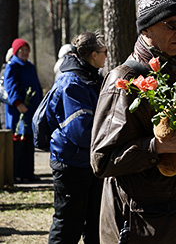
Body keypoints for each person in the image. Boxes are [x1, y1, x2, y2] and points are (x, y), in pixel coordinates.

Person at [90, 0, 176, 244]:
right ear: (146, 28)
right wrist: (156, 146)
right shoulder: (124, 81)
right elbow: (102, 160)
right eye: (172, 25)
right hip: (145, 227)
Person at [47, 32, 106, 243]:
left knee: (95, 224)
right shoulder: (72, 82)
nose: (107, 55)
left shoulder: (91, 77)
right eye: (104, 52)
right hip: (71, 164)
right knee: (68, 226)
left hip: (89, 163)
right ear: (92, 55)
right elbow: (80, 131)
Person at [3, 38, 43, 182]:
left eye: (27, 50)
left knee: (29, 142)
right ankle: (18, 173)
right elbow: (10, 86)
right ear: (16, 52)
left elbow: (37, 87)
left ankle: (28, 173)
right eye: (22, 50)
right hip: (18, 111)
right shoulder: (12, 66)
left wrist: (40, 103)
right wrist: (18, 103)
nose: (25, 53)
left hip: (31, 111)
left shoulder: (30, 67)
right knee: (19, 142)